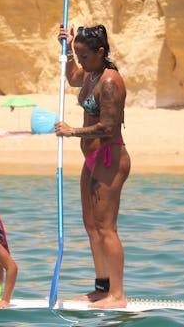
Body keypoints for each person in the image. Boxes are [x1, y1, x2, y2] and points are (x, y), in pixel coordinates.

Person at [54, 24, 131, 309]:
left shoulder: (110, 81)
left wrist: (72, 131)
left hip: (110, 158)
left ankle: (118, 295)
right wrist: (67, 49)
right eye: (78, 54)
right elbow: (73, 78)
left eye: (84, 55)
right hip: (92, 160)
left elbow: (109, 127)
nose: (81, 61)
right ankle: (102, 287)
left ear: (101, 52)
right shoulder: (91, 73)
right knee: (91, 225)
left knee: (106, 228)